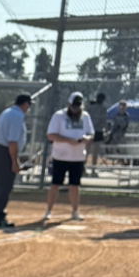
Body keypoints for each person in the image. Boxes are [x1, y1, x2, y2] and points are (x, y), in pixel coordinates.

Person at [0, 94, 31, 229]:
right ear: (25, 104)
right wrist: (15, 162)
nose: (28, 108)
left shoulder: (7, 112)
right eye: (29, 105)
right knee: (5, 185)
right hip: (6, 151)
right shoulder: (17, 116)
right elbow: (12, 141)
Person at [43, 91, 94, 222]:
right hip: (60, 156)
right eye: (73, 106)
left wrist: (86, 138)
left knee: (74, 185)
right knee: (55, 184)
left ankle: (75, 211)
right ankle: (48, 211)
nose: (75, 109)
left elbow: (91, 134)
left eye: (78, 106)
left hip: (77, 157)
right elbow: (51, 135)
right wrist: (68, 140)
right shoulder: (59, 116)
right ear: (68, 105)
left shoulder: (85, 116)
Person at [87, 93, 107, 176]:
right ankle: (92, 170)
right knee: (94, 152)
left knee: (87, 151)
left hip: (90, 130)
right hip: (97, 130)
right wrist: (105, 130)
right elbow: (104, 121)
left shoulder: (90, 107)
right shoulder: (102, 108)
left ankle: (86, 169)